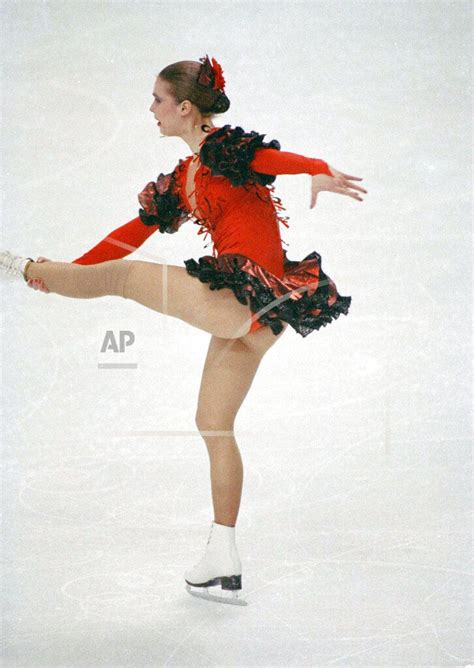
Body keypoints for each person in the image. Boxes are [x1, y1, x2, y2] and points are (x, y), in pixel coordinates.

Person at [0, 54, 367, 606]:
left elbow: (273, 158)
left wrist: (316, 166)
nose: (151, 108)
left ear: (186, 107)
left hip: (242, 297)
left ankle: (19, 266)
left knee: (122, 280)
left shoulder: (223, 150)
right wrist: (74, 271)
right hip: (260, 321)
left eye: (157, 99)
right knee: (213, 424)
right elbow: (131, 235)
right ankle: (222, 558)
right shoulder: (183, 176)